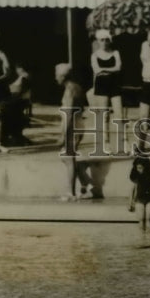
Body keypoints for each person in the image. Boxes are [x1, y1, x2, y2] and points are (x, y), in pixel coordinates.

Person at [55, 63, 95, 202]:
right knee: (66, 157)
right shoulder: (75, 86)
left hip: (73, 126)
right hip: (78, 124)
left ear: (62, 76)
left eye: (56, 75)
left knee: (68, 157)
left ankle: (70, 193)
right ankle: (88, 186)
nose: (55, 79)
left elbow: (69, 114)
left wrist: (63, 134)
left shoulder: (69, 90)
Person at [90, 29, 123, 154]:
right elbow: (97, 70)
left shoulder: (115, 53)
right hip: (101, 85)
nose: (104, 42)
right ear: (98, 41)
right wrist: (110, 69)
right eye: (102, 40)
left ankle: (122, 143)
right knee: (104, 116)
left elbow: (118, 67)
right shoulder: (94, 55)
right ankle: (106, 143)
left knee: (119, 115)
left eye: (106, 40)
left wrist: (105, 69)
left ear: (110, 41)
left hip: (114, 85)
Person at [128, 156, 150, 235]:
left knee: (148, 219)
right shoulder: (136, 174)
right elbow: (132, 190)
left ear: (145, 167)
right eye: (138, 168)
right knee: (141, 219)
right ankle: (142, 237)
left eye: (141, 168)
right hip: (139, 199)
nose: (139, 170)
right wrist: (130, 203)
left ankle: (149, 237)